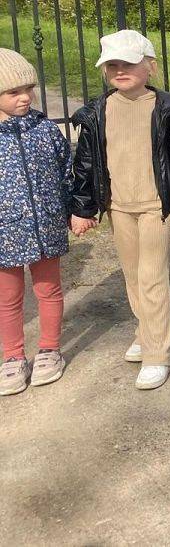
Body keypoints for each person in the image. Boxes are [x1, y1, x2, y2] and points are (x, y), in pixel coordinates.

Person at [69, 30, 170, 390]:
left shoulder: (168, 110)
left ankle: (158, 353)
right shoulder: (97, 113)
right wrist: (83, 207)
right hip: (118, 207)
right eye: (112, 64)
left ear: (150, 67)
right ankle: (146, 332)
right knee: (132, 275)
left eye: (128, 63)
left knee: (151, 276)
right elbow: (86, 164)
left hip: (155, 207)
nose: (120, 70)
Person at [0, 49, 70, 396]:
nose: (25, 97)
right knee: (8, 297)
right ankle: (13, 356)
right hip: (5, 233)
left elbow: (65, 171)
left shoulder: (46, 130)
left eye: (29, 89)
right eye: (14, 92)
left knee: (49, 290)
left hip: (46, 227)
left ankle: (49, 349)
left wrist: (72, 211)